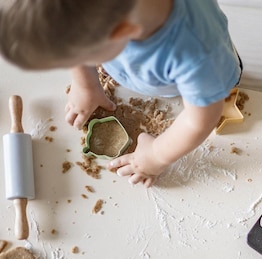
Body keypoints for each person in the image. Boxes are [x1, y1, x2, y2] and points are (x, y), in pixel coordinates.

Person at [0, 0, 242, 187]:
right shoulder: (109, 17)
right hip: (141, 67)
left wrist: (156, 156)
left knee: (210, 91)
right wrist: (84, 84)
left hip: (203, 84)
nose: (81, 65)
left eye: (84, 59)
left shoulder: (198, 56)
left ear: (123, 32)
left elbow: (200, 119)